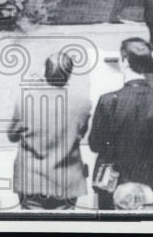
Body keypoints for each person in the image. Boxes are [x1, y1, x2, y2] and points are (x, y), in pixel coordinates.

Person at [88, 38, 153, 209]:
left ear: (124, 62)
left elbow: (95, 144)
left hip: (112, 182)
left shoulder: (108, 100)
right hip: (149, 180)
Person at [7, 53, 92, 210]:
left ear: (45, 72)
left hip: (31, 180)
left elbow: (12, 136)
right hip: (68, 181)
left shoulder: (25, 100)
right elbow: (80, 135)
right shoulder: (83, 104)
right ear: (69, 74)